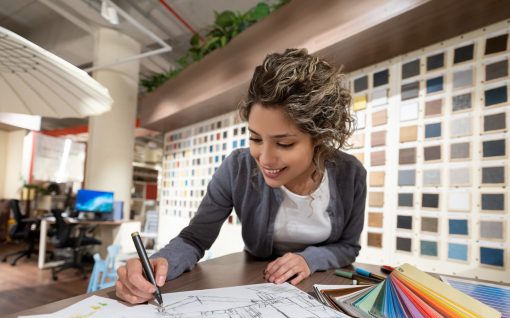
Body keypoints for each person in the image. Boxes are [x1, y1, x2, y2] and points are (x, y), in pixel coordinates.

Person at [116, 48, 367, 304]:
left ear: (320, 139)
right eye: (256, 138)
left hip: (320, 290)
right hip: (258, 285)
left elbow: (348, 247)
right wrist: (161, 263)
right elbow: (195, 238)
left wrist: (309, 259)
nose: (265, 159)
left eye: (285, 144)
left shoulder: (351, 174)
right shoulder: (237, 168)